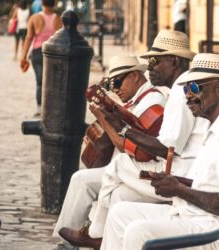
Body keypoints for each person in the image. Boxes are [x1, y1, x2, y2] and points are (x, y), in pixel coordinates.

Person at [100, 53, 219, 250]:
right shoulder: (217, 123)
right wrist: (176, 182)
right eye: (187, 89)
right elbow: (213, 185)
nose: (188, 95)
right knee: (119, 213)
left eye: (195, 87)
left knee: (138, 232)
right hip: (203, 218)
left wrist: (179, 190)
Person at [58, 30, 210, 249]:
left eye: (156, 61)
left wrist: (124, 130)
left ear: (175, 61)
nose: (150, 68)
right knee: (119, 194)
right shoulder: (180, 89)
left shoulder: (179, 92)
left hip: (181, 175)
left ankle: (95, 233)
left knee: (119, 165)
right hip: (182, 168)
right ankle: (96, 237)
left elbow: (166, 148)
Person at [53, 55, 167, 250]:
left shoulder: (152, 100)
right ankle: (70, 241)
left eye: (117, 82)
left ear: (135, 76)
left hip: (145, 168)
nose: (114, 89)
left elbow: (129, 146)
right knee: (82, 179)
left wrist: (103, 118)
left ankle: (87, 237)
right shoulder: (137, 100)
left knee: (87, 182)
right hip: (133, 167)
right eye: (110, 84)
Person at [20, 0, 62, 117]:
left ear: (42, 4)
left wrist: (23, 56)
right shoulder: (58, 19)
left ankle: (39, 109)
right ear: (53, 4)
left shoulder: (34, 18)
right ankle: (52, 107)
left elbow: (29, 38)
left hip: (38, 52)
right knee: (53, 82)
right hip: (54, 53)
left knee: (40, 82)